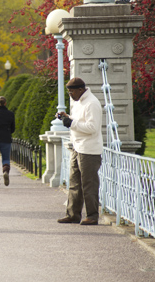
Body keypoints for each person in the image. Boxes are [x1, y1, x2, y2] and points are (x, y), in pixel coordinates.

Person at [56, 77, 103, 226]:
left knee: (88, 184)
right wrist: (67, 118)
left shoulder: (92, 103)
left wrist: (72, 123)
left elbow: (92, 128)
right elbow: (78, 122)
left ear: (81, 90)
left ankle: (92, 215)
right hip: (77, 147)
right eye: (69, 92)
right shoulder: (78, 103)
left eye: (71, 92)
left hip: (89, 150)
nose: (70, 95)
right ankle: (72, 214)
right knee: (75, 183)